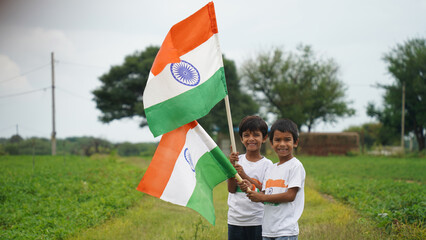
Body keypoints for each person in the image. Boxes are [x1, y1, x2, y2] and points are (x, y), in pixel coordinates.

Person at [240, 118, 305, 240]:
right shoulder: (271, 168)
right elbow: (265, 194)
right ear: (271, 143)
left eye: (287, 139)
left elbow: (290, 196)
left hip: (286, 231)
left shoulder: (295, 166)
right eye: (277, 140)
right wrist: (250, 187)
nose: (282, 144)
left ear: (295, 142)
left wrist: (262, 197)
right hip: (268, 230)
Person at [227, 115, 274, 240]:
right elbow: (231, 189)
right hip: (235, 219)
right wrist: (231, 167)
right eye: (246, 135)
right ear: (241, 139)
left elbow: (265, 192)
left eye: (256, 135)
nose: (251, 139)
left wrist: (244, 176)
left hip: (257, 220)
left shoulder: (267, 165)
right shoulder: (238, 161)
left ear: (264, 138)